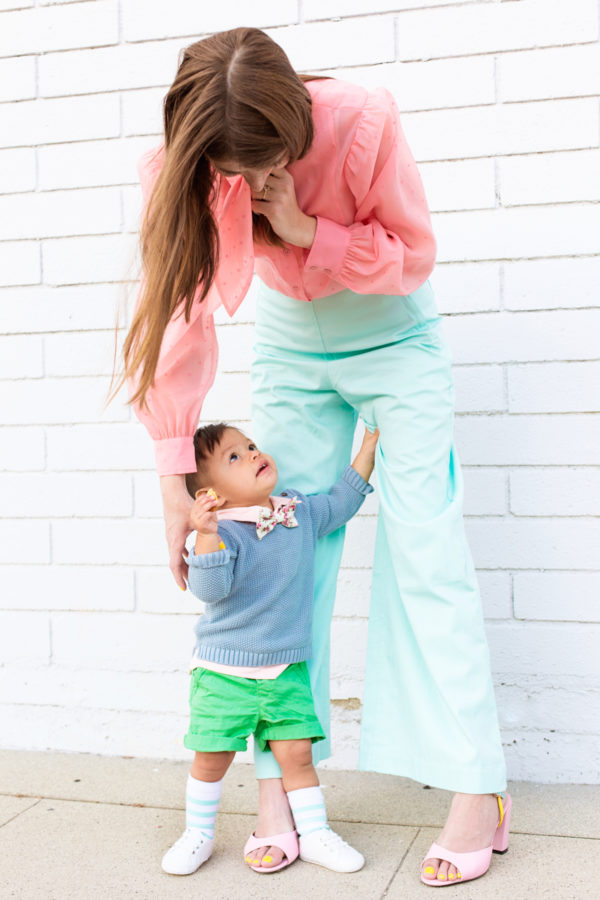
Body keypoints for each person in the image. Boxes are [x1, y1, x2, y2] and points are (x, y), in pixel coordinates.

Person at [119, 27, 511, 887]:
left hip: (393, 333)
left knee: (426, 551)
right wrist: (174, 493)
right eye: (236, 174)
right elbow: (178, 323)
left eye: (266, 164)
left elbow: (413, 257)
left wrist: (306, 226)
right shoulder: (184, 166)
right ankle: (279, 792)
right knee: (277, 553)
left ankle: (477, 788)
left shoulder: (363, 122)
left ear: (295, 116)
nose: (252, 186)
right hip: (295, 345)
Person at [161, 422, 376, 876]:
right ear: (212, 495)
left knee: (296, 754)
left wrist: (369, 447)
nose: (254, 454)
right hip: (223, 671)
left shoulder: (295, 511)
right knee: (212, 756)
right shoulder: (224, 532)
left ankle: (314, 832)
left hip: (285, 670)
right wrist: (204, 534)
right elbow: (210, 590)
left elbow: (341, 503)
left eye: (251, 446)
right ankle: (198, 833)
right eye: (234, 458)